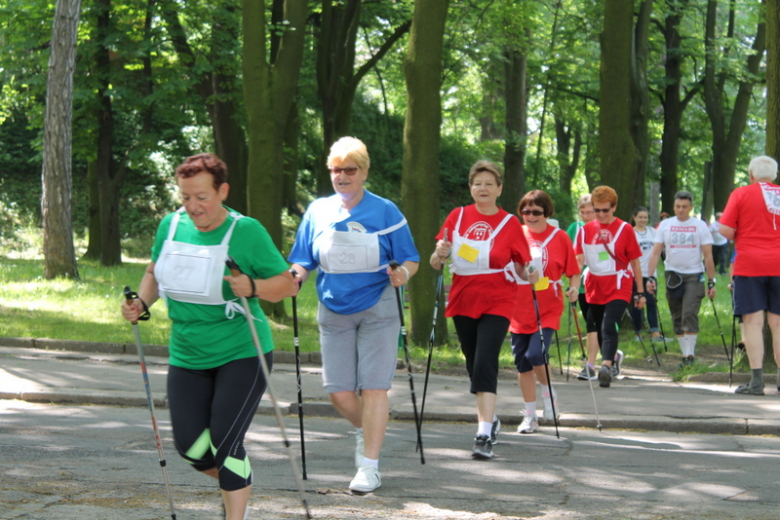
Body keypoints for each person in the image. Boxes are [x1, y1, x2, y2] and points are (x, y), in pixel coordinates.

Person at [120, 153, 298, 520]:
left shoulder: (246, 231)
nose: (193, 207)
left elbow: (287, 286)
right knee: (192, 449)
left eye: (201, 197)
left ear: (223, 191)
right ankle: (236, 480)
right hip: (187, 354)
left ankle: (235, 511)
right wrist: (140, 301)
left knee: (225, 443)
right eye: (185, 197)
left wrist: (253, 285)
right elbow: (155, 271)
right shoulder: (170, 225)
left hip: (243, 352)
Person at [288, 137, 419, 493]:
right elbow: (302, 258)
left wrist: (402, 274)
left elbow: (410, 257)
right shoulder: (317, 211)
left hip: (379, 304)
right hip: (333, 307)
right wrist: (296, 276)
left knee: (373, 386)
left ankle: (370, 466)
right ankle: (369, 428)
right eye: (336, 170)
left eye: (350, 169)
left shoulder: (385, 211)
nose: (342, 176)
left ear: (363, 172)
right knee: (339, 393)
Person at [431, 160, 532, 459]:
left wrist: (532, 272)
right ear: (470, 188)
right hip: (463, 297)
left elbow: (523, 267)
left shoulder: (511, 223)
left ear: (499, 189)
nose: (483, 188)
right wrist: (439, 254)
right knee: (474, 363)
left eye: (489, 184)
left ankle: (483, 433)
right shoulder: (458, 215)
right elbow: (436, 262)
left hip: (499, 298)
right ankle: (492, 417)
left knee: (486, 361)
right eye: (478, 183)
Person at [510, 190, 580, 434]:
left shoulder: (559, 237)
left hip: (547, 305)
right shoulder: (515, 234)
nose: (530, 216)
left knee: (536, 353)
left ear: (547, 213)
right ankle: (530, 415)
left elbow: (574, 271)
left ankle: (549, 395)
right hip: (518, 307)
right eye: (525, 211)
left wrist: (573, 289)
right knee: (522, 363)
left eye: (536, 212)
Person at [718, 155, 780, 395]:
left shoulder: (741, 194)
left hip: (750, 265)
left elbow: (726, 230)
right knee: (778, 324)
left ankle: (756, 382)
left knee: (753, 324)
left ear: (751, 175)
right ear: (774, 175)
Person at [574, 186, 645, 388]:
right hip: (595, 285)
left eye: (606, 210)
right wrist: (573, 284)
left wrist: (639, 292)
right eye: (597, 210)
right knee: (597, 326)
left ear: (614, 208)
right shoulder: (584, 231)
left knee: (608, 323)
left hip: (619, 283)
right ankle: (613, 357)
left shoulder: (625, 229)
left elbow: (635, 263)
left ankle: (605, 366)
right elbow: (578, 262)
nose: (601, 215)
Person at [647, 191, 716, 367]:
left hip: (694, 274)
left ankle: (689, 355)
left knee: (689, 312)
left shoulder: (700, 226)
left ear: (691, 207)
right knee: (677, 315)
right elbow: (655, 252)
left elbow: (708, 256)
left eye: (685, 207)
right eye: (678, 206)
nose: (681, 210)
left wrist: (711, 281)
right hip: (673, 274)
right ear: (674, 207)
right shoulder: (665, 225)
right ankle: (684, 354)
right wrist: (650, 277)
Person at [566, 195, 601, 381]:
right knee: (592, 324)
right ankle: (614, 357)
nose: (587, 216)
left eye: (591, 212)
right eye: (583, 212)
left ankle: (590, 366)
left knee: (593, 323)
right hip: (579, 284)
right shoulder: (574, 228)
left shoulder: (603, 229)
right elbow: (567, 253)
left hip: (599, 283)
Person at [630, 207, 664, 342]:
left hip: (651, 273)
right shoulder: (630, 232)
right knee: (638, 303)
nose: (643, 220)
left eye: (645, 217)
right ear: (634, 218)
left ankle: (655, 333)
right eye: (640, 217)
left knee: (651, 302)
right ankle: (638, 333)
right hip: (635, 273)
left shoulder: (653, 232)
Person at [710, 211, 730, 275]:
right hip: (715, 244)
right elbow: (709, 233)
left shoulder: (725, 224)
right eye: (720, 217)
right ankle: (713, 269)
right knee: (714, 257)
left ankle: (722, 271)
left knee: (723, 257)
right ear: (717, 217)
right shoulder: (713, 225)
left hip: (723, 243)